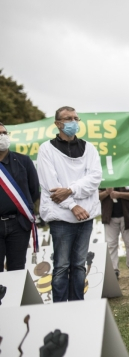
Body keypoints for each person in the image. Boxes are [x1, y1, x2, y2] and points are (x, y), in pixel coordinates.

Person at [37, 107, 102, 301]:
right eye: (68, 119)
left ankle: (77, 305)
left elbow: (95, 178)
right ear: (58, 123)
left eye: (76, 118)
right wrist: (73, 205)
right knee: (61, 266)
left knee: (79, 265)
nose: (73, 122)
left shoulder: (89, 148)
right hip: (61, 217)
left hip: (85, 217)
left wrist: (71, 189)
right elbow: (52, 186)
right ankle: (60, 308)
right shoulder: (46, 149)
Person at [0, 122, 40, 271]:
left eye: (4, 133)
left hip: (18, 223)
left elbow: (34, 190)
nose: (2, 136)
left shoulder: (23, 161)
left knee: (17, 268)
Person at [98, 186, 129, 279]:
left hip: (128, 216)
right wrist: (107, 192)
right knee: (110, 244)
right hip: (109, 216)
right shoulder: (104, 177)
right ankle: (113, 270)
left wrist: (119, 194)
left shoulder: (127, 175)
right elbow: (96, 197)